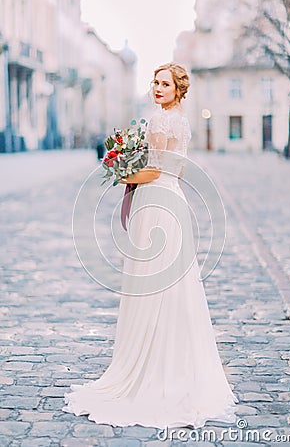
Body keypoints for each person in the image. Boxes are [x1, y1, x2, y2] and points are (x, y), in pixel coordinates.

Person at [62, 62, 239, 428]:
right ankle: (177, 364)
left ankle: (152, 366)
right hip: (174, 202)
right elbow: (180, 170)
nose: (157, 88)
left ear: (177, 89)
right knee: (175, 284)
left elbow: (154, 171)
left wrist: (119, 171)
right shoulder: (183, 121)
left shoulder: (160, 120)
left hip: (155, 203)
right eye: (155, 82)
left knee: (149, 283)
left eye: (164, 84)